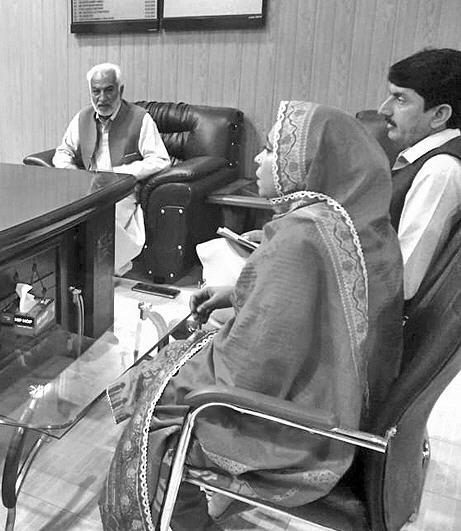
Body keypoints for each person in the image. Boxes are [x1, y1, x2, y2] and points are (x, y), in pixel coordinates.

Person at [100, 101, 404, 530]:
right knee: (170, 364)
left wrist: (176, 372)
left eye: (271, 150)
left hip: (300, 432)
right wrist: (236, 295)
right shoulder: (356, 222)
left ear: (308, 165)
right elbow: (305, 314)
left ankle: (188, 522)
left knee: (154, 414)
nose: (259, 159)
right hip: (345, 405)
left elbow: (252, 368)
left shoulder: (301, 237)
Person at [53, 63, 170, 275]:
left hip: (121, 191)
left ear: (120, 90)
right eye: (96, 91)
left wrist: (121, 173)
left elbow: (160, 159)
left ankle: (100, 273)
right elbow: (62, 152)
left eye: (108, 90)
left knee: (102, 218)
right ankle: (65, 271)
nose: (102, 98)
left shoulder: (140, 118)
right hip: (86, 187)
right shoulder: (82, 118)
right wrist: (72, 172)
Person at [377, 48, 461, 301]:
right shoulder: (424, 159)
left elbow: (403, 279)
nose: (384, 109)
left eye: (400, 99)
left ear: (439, 115)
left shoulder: (440, 171)